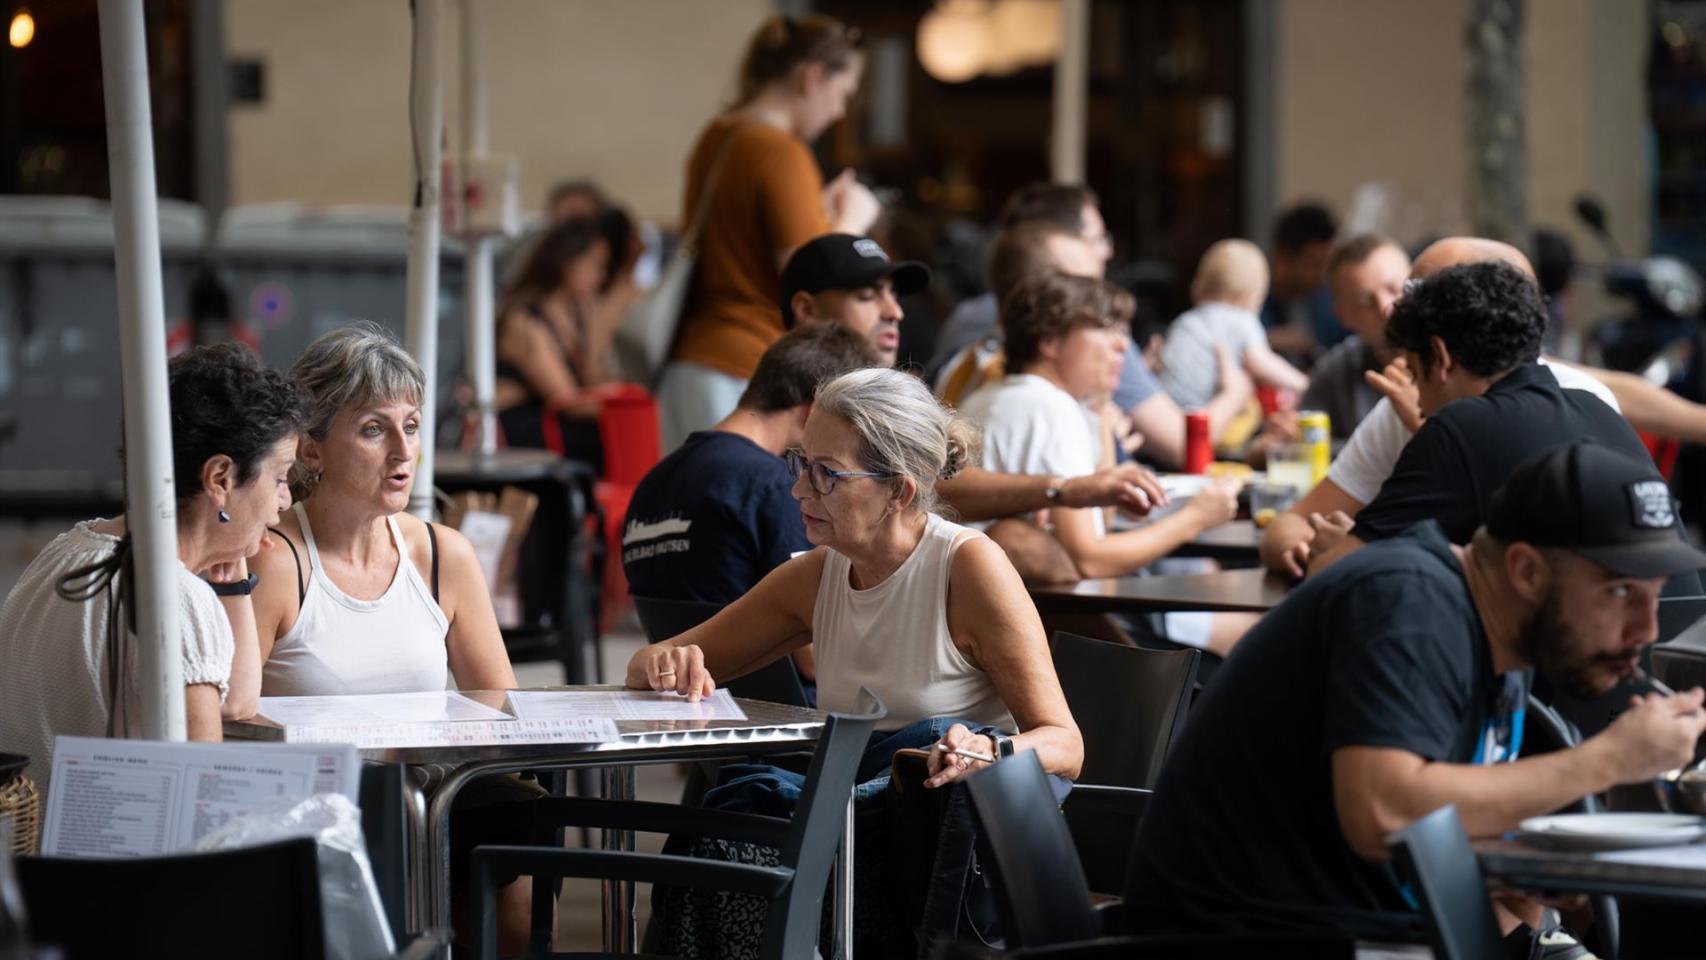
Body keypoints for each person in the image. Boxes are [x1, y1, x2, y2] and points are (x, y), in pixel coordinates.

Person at [1124, 441, 1706, 951]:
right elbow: (1385, 814)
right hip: (1247, 938)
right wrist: (1608, 761)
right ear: (1527, 571)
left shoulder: (1505, 633)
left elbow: (1430, 819)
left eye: (1654, 595)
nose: (1647, 629)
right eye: (1622, 591)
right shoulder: (1411, 604)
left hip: (1349, 930)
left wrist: (1532, 878)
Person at [629, 366, 1082, 783]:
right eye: (802, 464)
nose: (799, 489)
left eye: (827, 474)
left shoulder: (969, 568)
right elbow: (647, 662)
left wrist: (985, 751)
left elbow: (1065, 744)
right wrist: (665, 664)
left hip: (950, 843)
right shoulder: (816, 575)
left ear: (898, 492)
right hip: (860, 832)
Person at [246, 323, 533, 953]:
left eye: (411, 425)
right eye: (374, 429)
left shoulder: (442, 554)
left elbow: (501, 707)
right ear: (312, 450)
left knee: (520, 814)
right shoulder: (276, 562)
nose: (405, 451)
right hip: (324, 813)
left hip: (431, 801)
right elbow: (235, 722)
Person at [0, 344, 304, 789]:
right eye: (279, 477)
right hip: (110, 856)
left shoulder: (63, 554)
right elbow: (197, 794)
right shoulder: (173, 599)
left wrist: (229, 556)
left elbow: (235, 702)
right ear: (220, 478)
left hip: (22, 850)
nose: (286, 500)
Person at [1259, 237, 1623, 578]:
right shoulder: (1587, 404)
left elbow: (1342, 570)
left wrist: (1348, 552)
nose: (1392, 308)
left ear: (1439, 356)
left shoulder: (1460, 427)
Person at [959, 273, 1249, 654]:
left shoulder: (1001, 394)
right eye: (1102, 328)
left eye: (1123, 331)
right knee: (1266, 635)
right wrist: (1196, 517)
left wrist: (1099, 419)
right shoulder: (1046, 406)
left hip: (1019, 624)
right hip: (1060, 634)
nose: (1121, 346)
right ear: (1049, 341)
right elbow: (1090, 558)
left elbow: (1102, 521)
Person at [657, 14, 881, 450]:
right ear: (812, 77)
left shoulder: (717, 136)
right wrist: (853, 219)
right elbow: (811, 278)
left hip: (691, 360)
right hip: (747, 368)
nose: (838, 113)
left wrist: (817, 210)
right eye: (842, 94)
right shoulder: (782, 151)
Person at [929, 183, 1254, 469]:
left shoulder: (964, 351)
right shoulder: (1056, 385)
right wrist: (1236, 392)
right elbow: (1084, 529)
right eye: (1096, 239)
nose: (1107, 253)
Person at [623, 324, 881, 603]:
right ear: (816, 412)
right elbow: (812, 622)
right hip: (747, 648)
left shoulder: (652, 483)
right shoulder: (775, 487)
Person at [493, 217, 619, 462]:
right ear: (567, 261)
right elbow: (566, 399)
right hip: (522, 428)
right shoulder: (527, 319)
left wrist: (594, 329)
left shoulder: (576, 315)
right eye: (595, 263)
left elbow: (594, 378)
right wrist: (622, 408)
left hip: (555, 422)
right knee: (611, 440)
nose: (601, 276)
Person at [1158, 238, 1309, 410]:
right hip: (1201, 413)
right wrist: (1304, 384)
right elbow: (1261, 362)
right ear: (1254, 297)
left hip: (1165, 409)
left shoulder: (1185, 321)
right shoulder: (1242, 320)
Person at [1299, 233, 1411, 438]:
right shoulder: (1338, 369)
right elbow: (1300, 435)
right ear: (1343, 316)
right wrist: (1275, 444)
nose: (1386, 306)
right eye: (1366, 300)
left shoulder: (1455, 359)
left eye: (1395, 288)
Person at [779, 232, 931, 367]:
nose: (896, 313)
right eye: (867, 295)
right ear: (806, 310)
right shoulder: (776, 397)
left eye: (893, 294)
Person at [1260, 201, 1343, 356]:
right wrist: (1264, 340)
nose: (1323, 273)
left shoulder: (1329, 302)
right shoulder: (1253, 302)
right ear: (1283, 257)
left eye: (1328, 263)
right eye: (1315, 263)